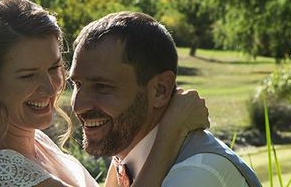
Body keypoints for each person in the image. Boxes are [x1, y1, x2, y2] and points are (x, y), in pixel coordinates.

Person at [0, 0, 210, 187]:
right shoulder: (1, 172)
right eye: (28, 75)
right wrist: (171, 131)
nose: (50, 87)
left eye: (54, 68)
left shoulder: (35, 142)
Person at [69, 11, 262, 187]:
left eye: (102, 87)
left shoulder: (196, 175)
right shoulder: (132, 155)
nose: (79, 106)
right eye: (77, 84)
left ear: (160, 90)